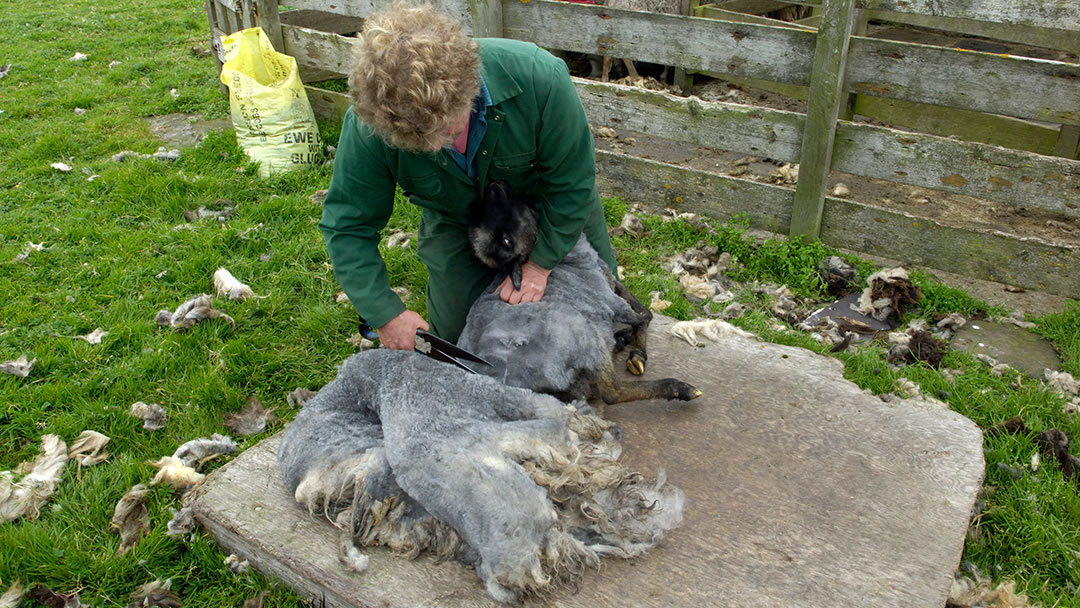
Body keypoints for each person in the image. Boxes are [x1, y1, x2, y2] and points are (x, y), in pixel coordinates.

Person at [320, 3, 617, 350]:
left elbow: (573, 184)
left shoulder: (540, 78)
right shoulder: (371, 124)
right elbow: (347, 227)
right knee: (462, 343)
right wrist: (384, 314)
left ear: (469, 89)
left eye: (445, 131)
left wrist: (540, 264)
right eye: (417, 141)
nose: (433, 146)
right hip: (457, 216)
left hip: (552, 206)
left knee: (603, 319)